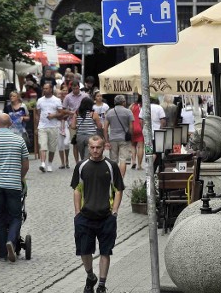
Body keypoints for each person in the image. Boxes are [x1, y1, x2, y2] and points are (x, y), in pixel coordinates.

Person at [71, 136, 124, 293]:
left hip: (106, 217)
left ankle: (101, 285)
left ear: (104, 147)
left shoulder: (111, 166)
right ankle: (90, 275)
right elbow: (76, 189)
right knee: (84, 250)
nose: (95, 150)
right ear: (88, 147)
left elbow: (118, 189)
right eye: (92, 147)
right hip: (85, 217)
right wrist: (77, 213)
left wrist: (114, 212)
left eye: (98, 147)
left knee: (105, 251)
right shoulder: (81, 166)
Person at [0, 114, 29, 263]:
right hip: (13, 185)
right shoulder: (19, 140)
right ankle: (11, 241)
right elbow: (26, 165)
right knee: (16, 216)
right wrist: (19, 177)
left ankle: (2, 253)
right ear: (10, 125)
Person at [103, 95, 134, 178]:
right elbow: (131, 127)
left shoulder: (109, 112)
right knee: (123, 159)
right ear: (123, 102)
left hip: (113, 138)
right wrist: (130, 136)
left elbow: (105, 128)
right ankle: (120, 179)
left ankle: (114, 179)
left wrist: (106, 141)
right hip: (124, 139)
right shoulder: (128, 112)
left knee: (113, 160)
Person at [35, 83, 63, 172]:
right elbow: (37, 114)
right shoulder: (39, 100)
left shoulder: (57, 100)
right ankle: (43, 164)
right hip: (42, 126)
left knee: (52, 147)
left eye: (46, 88)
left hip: (53, 126)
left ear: (51, 89)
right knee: (42, 145)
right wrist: (36, 126)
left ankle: (50, 163)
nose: (45, 90)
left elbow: (61, 113)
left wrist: (54, 115)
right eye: (44, 88)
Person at [63, 81, 88, 163]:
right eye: (73, 88)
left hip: (84, 121)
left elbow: (90, 106)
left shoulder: (85, 95)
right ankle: (77, 162)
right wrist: (71, 112)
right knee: (75, 142)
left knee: (84, 141)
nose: (75, 90)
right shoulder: (67, 97)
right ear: (71, 88)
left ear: (79, 87)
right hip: (72, 121)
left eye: (76, 88)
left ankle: (84, 160)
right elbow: (64, 109)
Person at [57, 85, 71, 169]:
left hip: (67, 124)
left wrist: (65, 113)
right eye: (63, 90)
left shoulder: (69, 100)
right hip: (58, 124)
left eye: (66, 90)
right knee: (60, 145)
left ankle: (67, 160)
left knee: (66, 143)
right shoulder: (57, 101)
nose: (64, 92)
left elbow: (71, 112)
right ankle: (62, 162)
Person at [129, 96, 145, 170]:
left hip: (132, 127)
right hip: (140, 127)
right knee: (140, 147)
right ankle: (139, 165)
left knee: (133, 145)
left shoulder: (132, 106)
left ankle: (133, 162)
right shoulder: (144, 106)